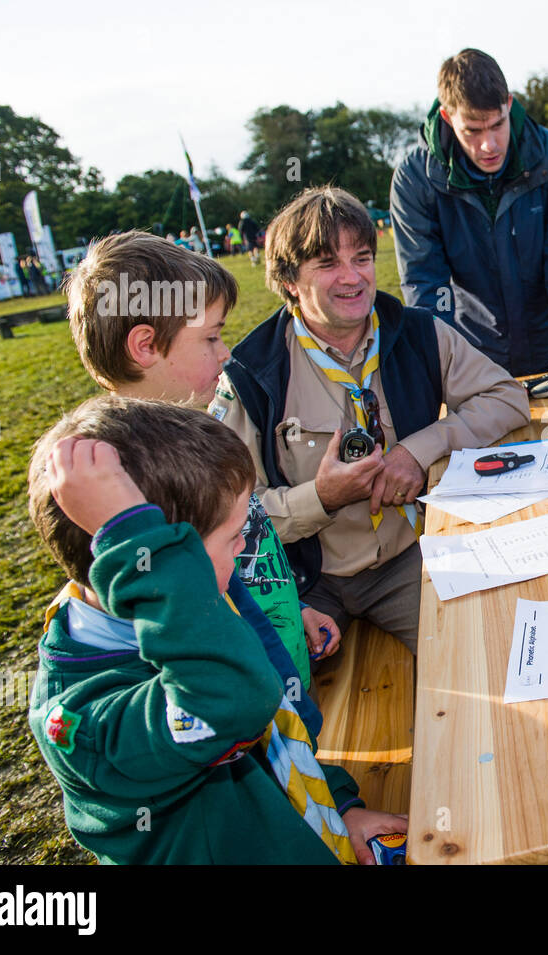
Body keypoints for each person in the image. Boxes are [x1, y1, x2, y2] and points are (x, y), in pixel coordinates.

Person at [27, 395, 406, 863]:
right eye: (233, 537)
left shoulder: (203, 606)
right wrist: (140, 543)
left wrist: (340, 807)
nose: (247, 545)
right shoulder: (84, 721)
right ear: (162, 564)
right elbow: (233, 703)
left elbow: (273, 737)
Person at [211, 186, 530, 657]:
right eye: (327, 264)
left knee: (484, 653)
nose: (352, 278)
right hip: (305, 583)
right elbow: (228, 518)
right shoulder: (250, 374)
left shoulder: (417, 330)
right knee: (272, 700)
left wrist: (418, 451)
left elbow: (507, 397)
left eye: (361, 258)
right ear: (289, 282)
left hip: (410, 557)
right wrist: (320, 498)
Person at [63, 230, 335, 724]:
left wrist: (291, 612)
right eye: (210, 337)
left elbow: (246, 550)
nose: (227, 352)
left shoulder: (203, 429)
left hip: (279, 670)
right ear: (145, 345)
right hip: (239, 720)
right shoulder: (132, 479)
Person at [390, 48, 548, 380]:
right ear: (448, 118)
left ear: (509, 104)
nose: (489, 145)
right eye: (472, 131)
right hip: (472, 350)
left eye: (497, 125)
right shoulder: (415, 177)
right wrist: (440, 358)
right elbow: (426, 282)